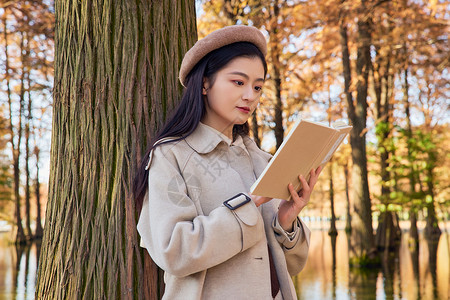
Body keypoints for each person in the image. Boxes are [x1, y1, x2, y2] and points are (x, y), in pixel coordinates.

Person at [134, 25, 322, 300]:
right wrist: (248, 205)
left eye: (258, 86)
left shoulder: (264, 160)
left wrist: (286, 220)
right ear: (205, 83)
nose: (250, 96)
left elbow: (293, 266)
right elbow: (173, 251)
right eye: (238, 82)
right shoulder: (171, 156)